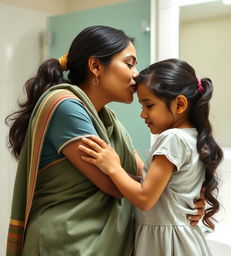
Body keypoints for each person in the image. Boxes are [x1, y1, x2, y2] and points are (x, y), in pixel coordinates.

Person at [6, 26, 205, 256]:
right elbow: (114, 185)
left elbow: (144, 177)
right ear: (95, 66)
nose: (136, 74)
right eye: (129, 64)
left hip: (90, 240)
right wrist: (165, 191)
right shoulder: (65, 107)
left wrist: (183, 196)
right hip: (64, 241)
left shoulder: (107, 119)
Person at [78, 58, 223, 256]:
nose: (143, 114)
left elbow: (145, 198)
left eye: (149, 105)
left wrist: (113, 167)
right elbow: (162, 191)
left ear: (179, 104)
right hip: (185, 241)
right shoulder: (192, 136)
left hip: (168, 246)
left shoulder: (172, 138)